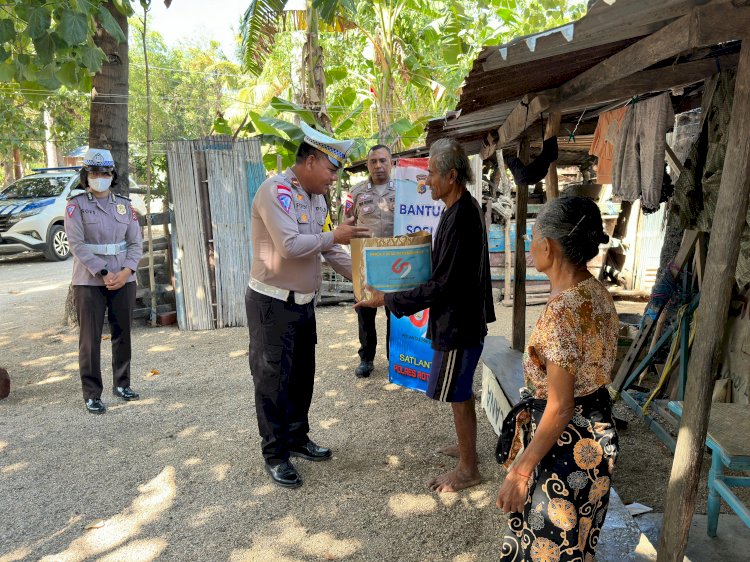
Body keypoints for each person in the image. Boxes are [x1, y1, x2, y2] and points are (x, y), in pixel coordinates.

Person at [355, 138, 495, 493]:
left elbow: (444, 284)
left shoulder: (463, 215)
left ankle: (468, 468)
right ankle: (466, 451)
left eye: (431, 174)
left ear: (451, 175)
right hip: (458, 318)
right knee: (456, 390)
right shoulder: (455, 208)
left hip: (459, 323)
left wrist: (390, 299)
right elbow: (442, 271)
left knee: (458, 393)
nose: (426, 180)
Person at [494, 196, 619, 561]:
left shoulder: (564, 311)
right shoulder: (596, 294)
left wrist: (521, 471)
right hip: (597, 437)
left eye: (532, 238)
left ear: (547, 246)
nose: (530, 247)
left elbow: (561, 406)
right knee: (578, 542)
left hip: (565, 446)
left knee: (549, 546)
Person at [247, 122, 369, 489]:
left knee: (301, 376)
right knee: (272, 381)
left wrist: (366, 282)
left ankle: (298, 438)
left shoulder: (316, 199)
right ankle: (276, 453)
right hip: (271, 304)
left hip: (303, 305)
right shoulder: (276, 191)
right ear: (312, 161)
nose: (334, 178)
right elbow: (289, 246)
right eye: (332, 170)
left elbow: (329, 249)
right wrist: (335, 234)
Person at [64, 148, 143, 415]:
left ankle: (122, 384)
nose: (101, 177)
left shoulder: (125, 205)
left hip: (123, 278)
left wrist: (126, 271)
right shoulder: (76, 206)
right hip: (89, 280)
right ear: (86, 176)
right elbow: (76, 244)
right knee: (90, 338)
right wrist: (103, 272)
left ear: (113, 175)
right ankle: (92, 393)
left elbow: (135, 243)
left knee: (123, 333)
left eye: (106, 173)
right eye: (95, 173)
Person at [346, 144, 395, 378]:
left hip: (396, 261)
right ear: (367, 165)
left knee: (395, 310)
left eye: (383, 160)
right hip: (365, 261)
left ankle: (395, 358)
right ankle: (366, 358)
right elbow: (345, 226)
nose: (378, 165)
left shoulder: (405, 191)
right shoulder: (354, 193)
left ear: (391, 163)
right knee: (365, 311)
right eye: (373, 161)